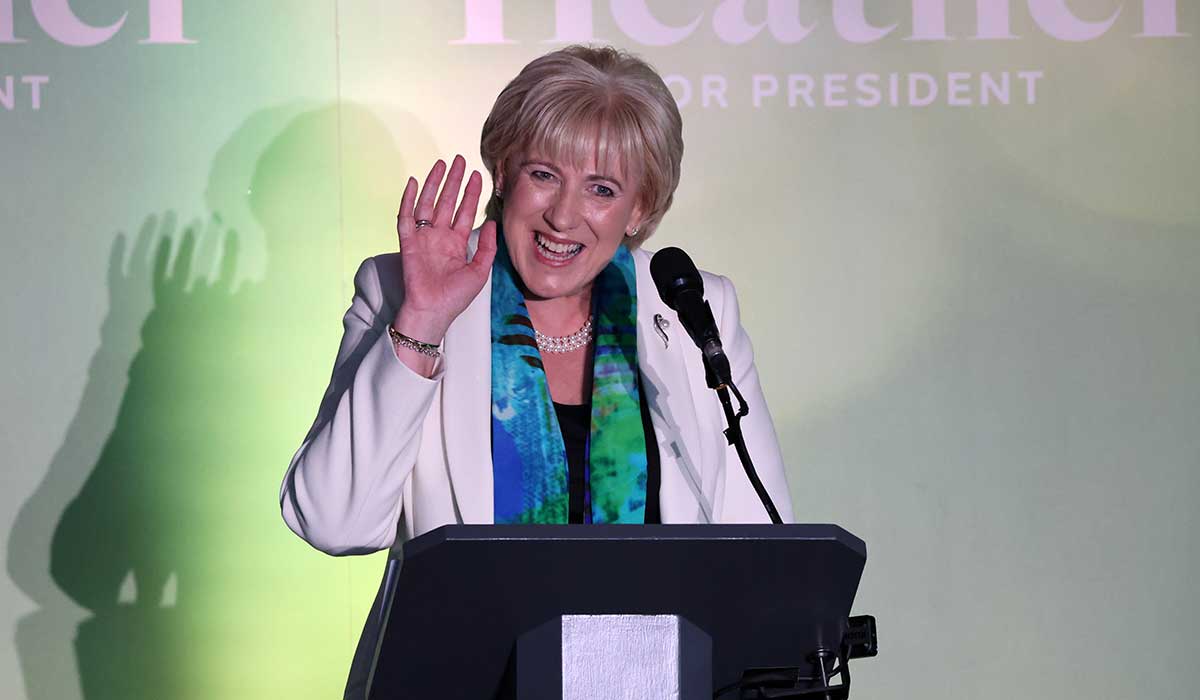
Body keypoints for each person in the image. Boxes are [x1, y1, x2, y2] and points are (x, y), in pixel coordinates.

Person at [279, 44, 794, 699]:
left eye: (602, 189)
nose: (563, 215)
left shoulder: (690, 309)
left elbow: (760, 551)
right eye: (544, 175)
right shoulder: (401, 291)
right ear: (503, 173)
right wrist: (422, 325)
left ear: (639, 209)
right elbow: (333, 523)